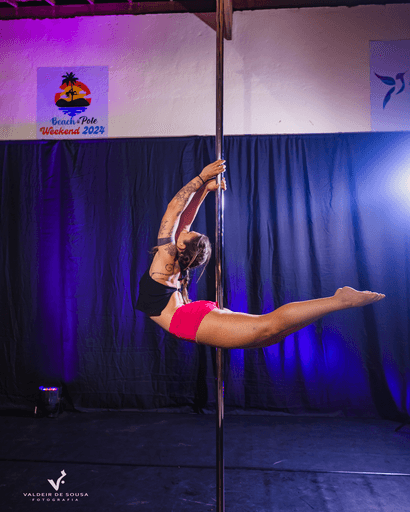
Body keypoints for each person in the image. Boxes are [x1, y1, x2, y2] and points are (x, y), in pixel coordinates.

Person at [136, 160, 385, 349]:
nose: (185, 229)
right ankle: (335, 302)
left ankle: (340, 300)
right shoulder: (173, 259)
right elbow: (183, 216)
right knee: (270, 337)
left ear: (180, 247)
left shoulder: (167, 256)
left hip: (186, 320)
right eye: (188, 232)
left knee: (268, 327)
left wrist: (202, 179)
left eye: (188, 233)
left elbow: (176, 210)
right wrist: (204, 189)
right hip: (187, 316)